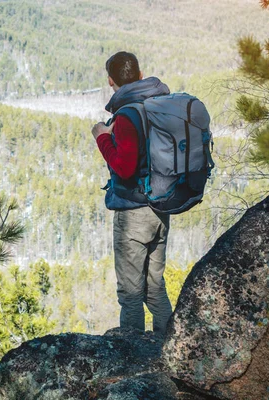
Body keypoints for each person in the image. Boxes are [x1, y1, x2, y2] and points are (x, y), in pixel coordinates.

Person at [91, 51, 172, 336]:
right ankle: (169, 348)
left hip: (133, 212)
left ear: (111, 82)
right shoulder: (159, 106)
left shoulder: (126, 116)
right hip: (162, 206)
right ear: (139, 75)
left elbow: (124, 168)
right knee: (155, 288)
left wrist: (102, 136)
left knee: (130, 294)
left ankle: (133, 360)